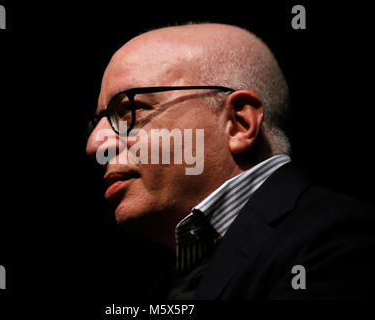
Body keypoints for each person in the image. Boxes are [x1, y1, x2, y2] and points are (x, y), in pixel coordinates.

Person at [86, 23, 375, 299]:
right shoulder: (167, 273)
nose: (95, 144)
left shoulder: (336, 239)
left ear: (239, 123)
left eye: (129, 110)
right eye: (97, 123)